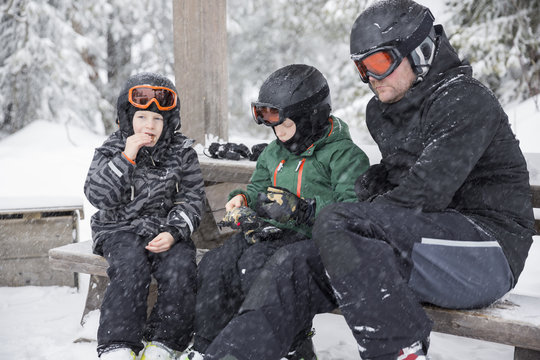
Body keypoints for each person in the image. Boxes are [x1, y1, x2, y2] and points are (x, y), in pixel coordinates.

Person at [200, 1, 536, 360]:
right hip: (421, 244)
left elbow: (426, 193)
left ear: (419, 52)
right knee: (294, 262)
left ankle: (399, 351)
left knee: (338, 222)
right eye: (362, 66)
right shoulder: (384, 112)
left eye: (379, 62)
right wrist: (372, 191)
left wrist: (350, 215)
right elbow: (402, 188)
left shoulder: (463, 99)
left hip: (485, 253)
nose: (370, 77)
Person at [181, 64, 369, 360]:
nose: (279, 134)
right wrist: (241, 198)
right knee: (216, 265)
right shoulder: (274, 152)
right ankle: (206, 345)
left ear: (312, 119)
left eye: (286, 125)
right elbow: (258, 188)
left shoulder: (344, 155)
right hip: (270, 232)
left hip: (312, 242)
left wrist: (305, 211)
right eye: (274, 127)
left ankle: (291, 347)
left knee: (257, 268)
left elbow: (353, 210)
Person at [84, 72, 205, 360]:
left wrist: (174, 231)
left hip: (164, 229)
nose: (149, 126)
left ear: (169, 123)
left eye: (157, 120)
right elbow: (97, 195)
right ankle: (118, 344)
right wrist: (126, 157)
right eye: (141, 118)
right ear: (128, 120)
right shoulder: (113, 148)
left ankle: (165, 342)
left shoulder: (182, 152)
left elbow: (192, 198)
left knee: (180, 268)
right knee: (130, 268)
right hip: (118, 229)